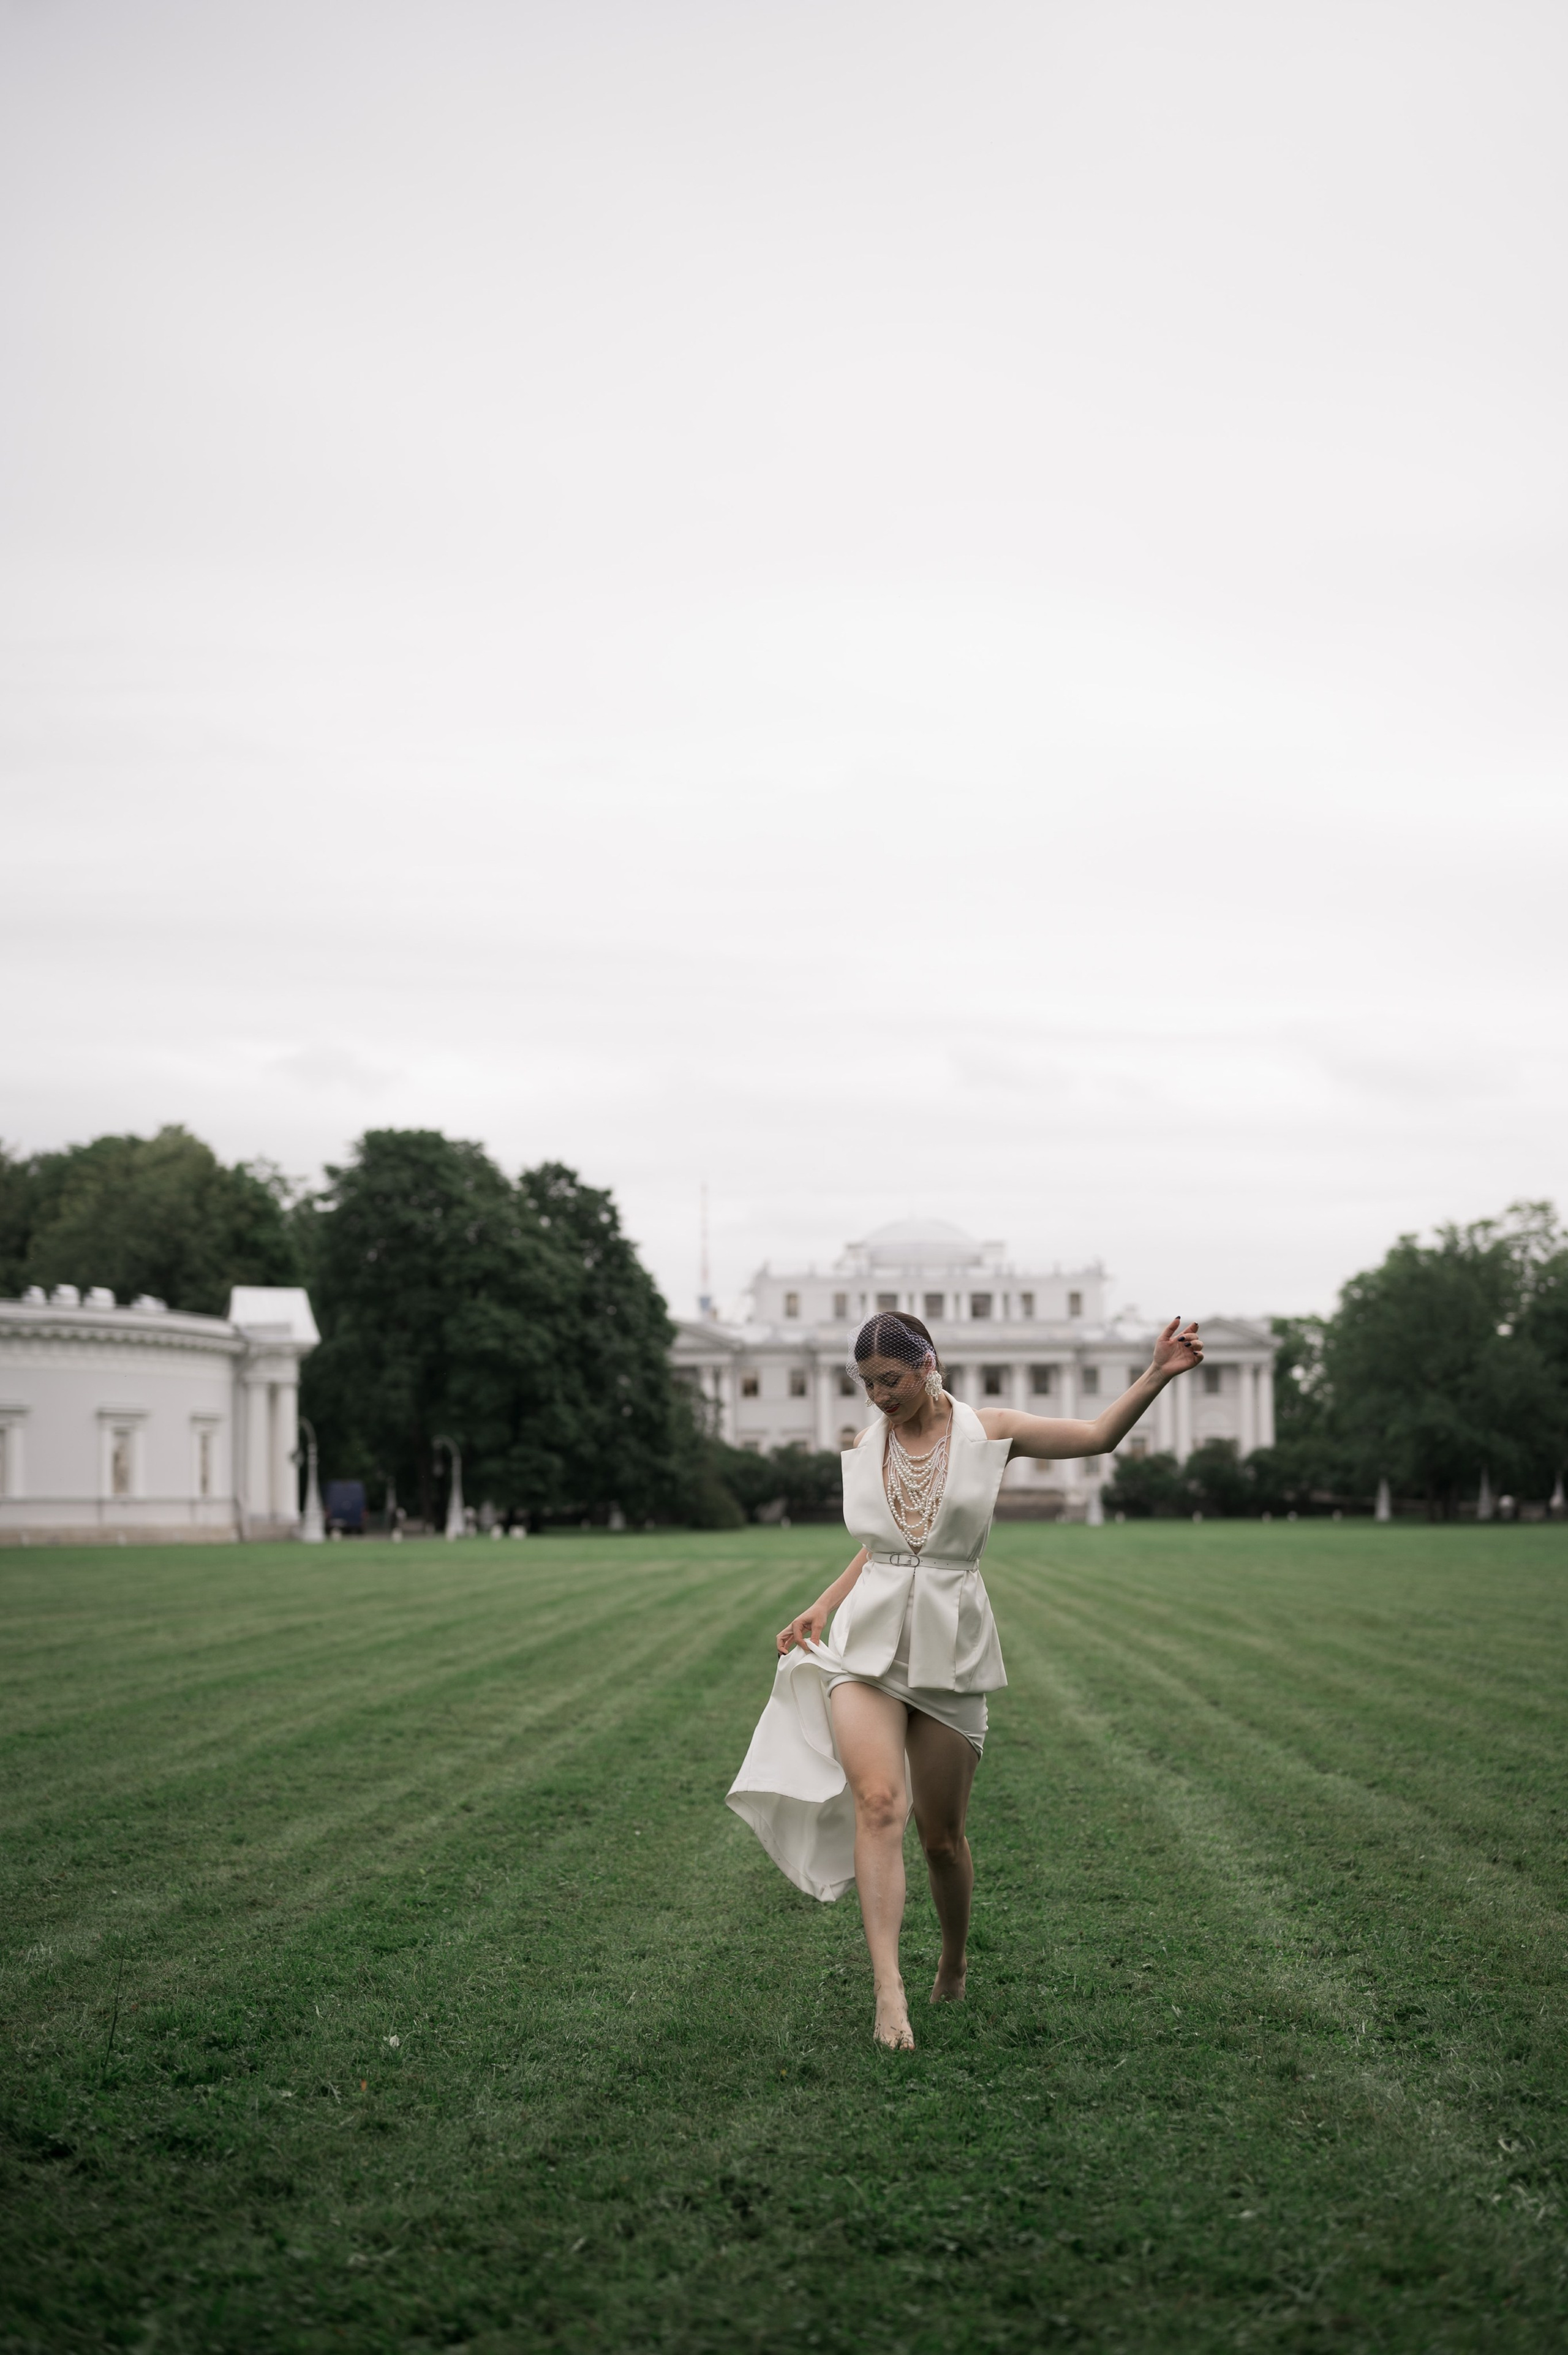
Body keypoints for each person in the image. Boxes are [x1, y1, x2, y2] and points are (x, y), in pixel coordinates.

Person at [726, 1307, 1204, 2049]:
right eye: (867, 1384)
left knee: (941, 1838)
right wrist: (822, 1604)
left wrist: (1155, 1375)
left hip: (952, 1650)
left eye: (892, 1380)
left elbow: (1096, 1437)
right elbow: (881, 1545)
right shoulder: (869, 1441)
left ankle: (952, 1960)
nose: (880, 1396)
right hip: (865, 1651)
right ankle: (889, 1993)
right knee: (879, 1802)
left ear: (927, 1365)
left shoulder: (990, 1431)